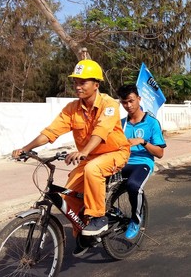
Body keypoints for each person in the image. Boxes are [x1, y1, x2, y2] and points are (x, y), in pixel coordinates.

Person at [11, 59, 131, 256]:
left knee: (93, 169)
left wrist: (83, 152)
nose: (78, 86)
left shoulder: (109, 104)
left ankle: (98, 217)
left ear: (96, 84)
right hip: (88, 157)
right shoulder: (72, 108)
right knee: (67, 198)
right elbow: (51, 132)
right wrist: (26, 148)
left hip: (114, 153)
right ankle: (84, 236)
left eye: (83, 82)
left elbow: (101, 131)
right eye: (75, 82)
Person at [117, 84, 166, 239]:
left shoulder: (152, 123)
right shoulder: (121, 123)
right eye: (124, 102)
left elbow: (160, 153)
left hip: (142, 163)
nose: (128, 105)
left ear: (139, 99)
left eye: (131, 101)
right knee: (96, 179)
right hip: (121, 162)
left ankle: (135, 220)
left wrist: (143, 141)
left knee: (133, 185)